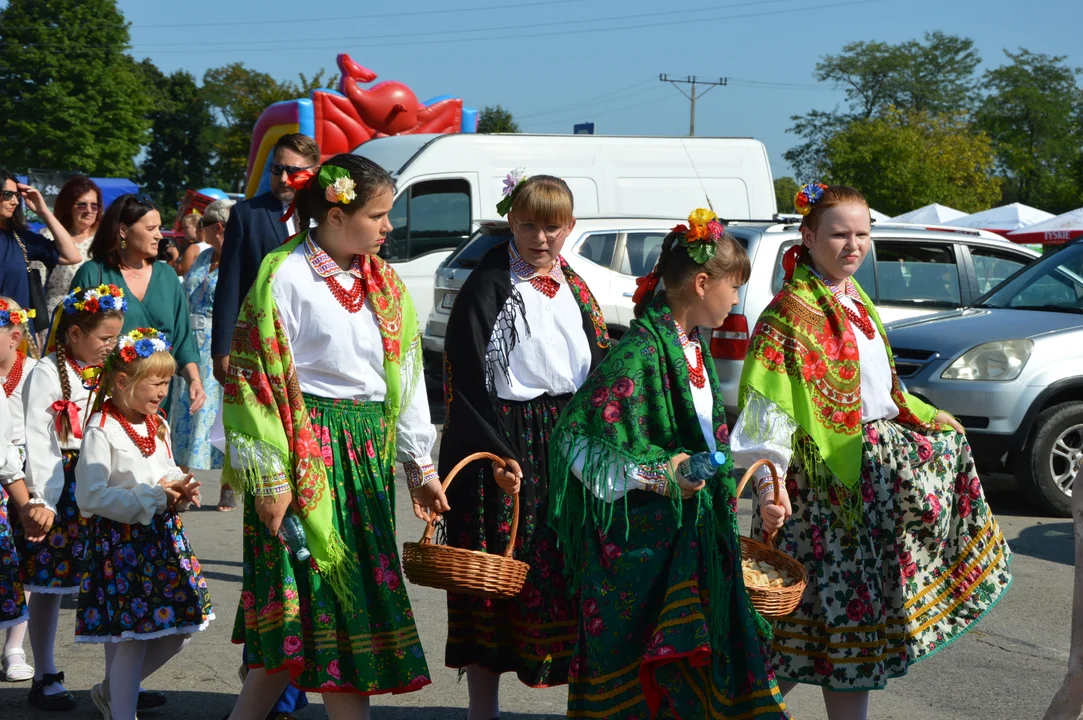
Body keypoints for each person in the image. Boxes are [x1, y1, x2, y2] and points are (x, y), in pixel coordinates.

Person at [729, 183, 1013, 720]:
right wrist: (770, 489)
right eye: (839, 234)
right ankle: (732, 710)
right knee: (796, 632)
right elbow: (768, 415)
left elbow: (885, 392)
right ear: (808, 237)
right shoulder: (787, 314)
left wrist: (931, 419)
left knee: (845, 636)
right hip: (819, 498)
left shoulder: (855, 301)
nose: (852, 245)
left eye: (862, 234)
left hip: (867, 487)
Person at [223, 154, 440, 720]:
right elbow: (253, 382)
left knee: (335, 615)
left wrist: (420, 467)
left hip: (364, 457)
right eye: (379, 215)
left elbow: (408, 374)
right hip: (304, 454)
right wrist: (270, 478)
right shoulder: (284, 275)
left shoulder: (385, 283)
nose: (389, 227)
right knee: (303, 612)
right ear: (337, 215)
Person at [547, 208, 787, 718]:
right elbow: (576, 440)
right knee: (643, 679)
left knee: (697, 677)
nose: (736, 300)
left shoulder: (692, 349)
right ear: (702, 283)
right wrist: (662, 473)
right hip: (644, 553)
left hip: (692, 541)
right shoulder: (638, 353)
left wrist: (759, 487)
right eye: (734, 288)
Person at [439, 172, 610, 718]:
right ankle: (481, 710)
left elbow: (599, 364)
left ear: (571, 228)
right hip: (505, 443)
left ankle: (577, 702)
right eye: (530, 225)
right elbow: (463, 379)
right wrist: (494, 454)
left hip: (567, 439)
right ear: (510, 222)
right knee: (498, 572)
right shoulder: (488, 285)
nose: (541, 238)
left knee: (566, 571)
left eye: (553, 227)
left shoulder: (576, 286)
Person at [74, 327, 211, 720]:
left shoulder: (157, 424)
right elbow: (91, 496)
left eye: (167, 383)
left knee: (183, 625)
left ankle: (111, 690)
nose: (163, 391)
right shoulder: (103, 428)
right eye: (157, 383)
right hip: (123, 543)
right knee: (133, 637)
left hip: (163, 539)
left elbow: (164, 469)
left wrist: (182, 488)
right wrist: (152, 497)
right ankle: (122, 710)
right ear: (123, 381)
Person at [18, 285, 125, 710]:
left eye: (116, 338)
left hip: (103, 480)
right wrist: (41, 498)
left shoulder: (109, 369)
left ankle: (119, 679)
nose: (111, 346)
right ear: (75, 333)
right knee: (50, 584)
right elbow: (38, 440)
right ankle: (44, 672)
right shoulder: (47, 372)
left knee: (108, 579)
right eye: (104, 338)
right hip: (62, 486)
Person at [69, 194, 206, 416]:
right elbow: (73, 338)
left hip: (156, 400)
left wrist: (195, 380)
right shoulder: (94, 274)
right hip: (101, 395)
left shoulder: (168, 276)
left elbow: (183, 340)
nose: (159, 236)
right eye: (151, 228)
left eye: (159, 228)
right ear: (123, 230)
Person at [212, 133, 321, 386]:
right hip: (263, 345)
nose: (283, 179)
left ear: (313, 172)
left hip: (316, 344)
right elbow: (230, 286)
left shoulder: (331, 214)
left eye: (293, 171)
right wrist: (221, 353)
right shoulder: (247, 215)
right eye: (277, 169)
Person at [170, 200, 232, 486]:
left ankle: (228, 484)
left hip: (216, 343)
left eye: (202, 225)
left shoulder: (236, 261)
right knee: (184, 411)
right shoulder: (203, 257)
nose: (197, 230)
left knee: (216, 414)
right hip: (189, 340)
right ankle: (182, 481)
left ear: (217, 227)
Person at [0, 297, 36, 683]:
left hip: (27, 472)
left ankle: (14, 645)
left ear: (14, 337)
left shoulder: (35, 372)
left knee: (26, 559)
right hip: (5, 469)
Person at [0, 169, 83, 335]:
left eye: (17, 195)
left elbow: (72, 256)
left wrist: (43, 211)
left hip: (19, 343)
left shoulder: (21, 238)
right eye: (8, 194)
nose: (15, 201)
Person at [43, 177, 104, 316]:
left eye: (94, 205)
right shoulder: (49, 237)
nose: (89, 210)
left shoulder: (104, 239)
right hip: (56, 318)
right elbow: (36, 287)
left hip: (95, 321)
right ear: (68, 206)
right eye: (82, 205)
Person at [175, 211, 207, 277]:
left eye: (186, 227)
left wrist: (175, 256)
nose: (183, 230)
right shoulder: (212, 245)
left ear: (197, 227)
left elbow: (180, 270)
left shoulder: (194, 248)